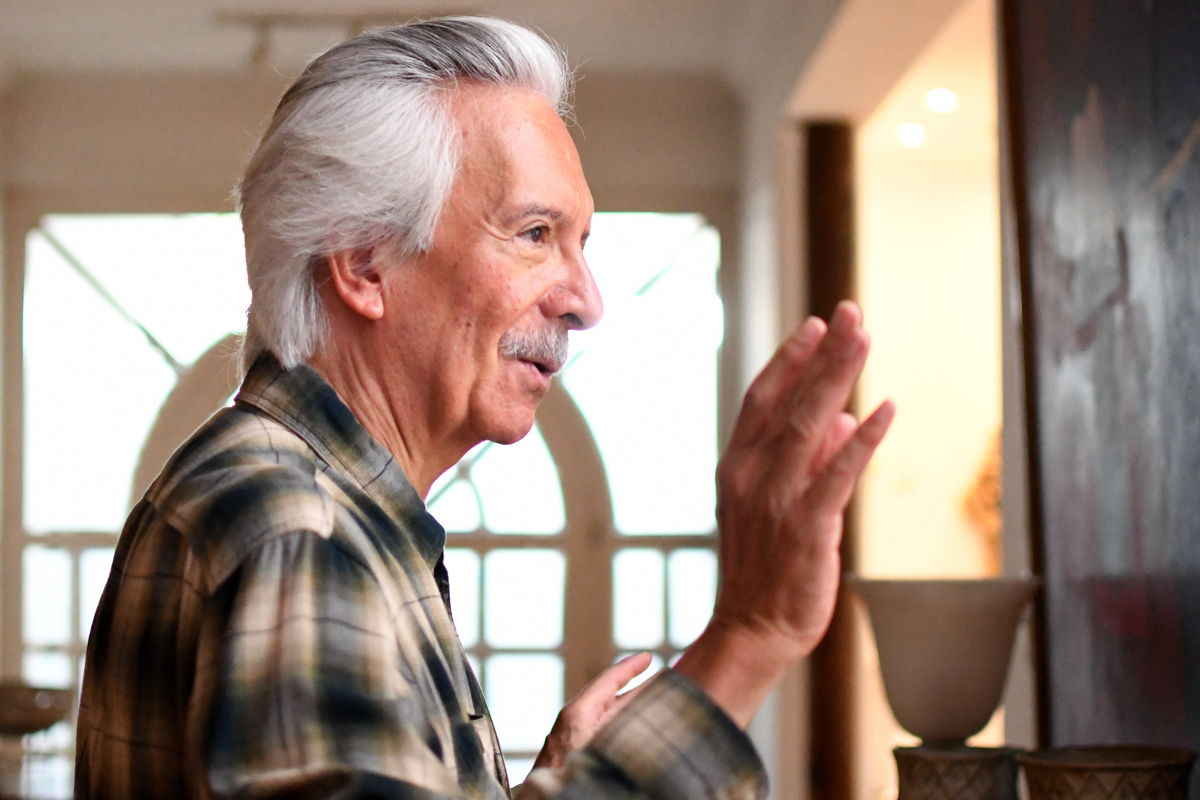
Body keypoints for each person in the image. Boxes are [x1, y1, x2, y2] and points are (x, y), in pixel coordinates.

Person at [75, 16, 893, 800]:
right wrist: (747, 638)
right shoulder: (299, 527)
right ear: (364, 263)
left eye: (582, 244)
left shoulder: (315, 505)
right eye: (536, 233)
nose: (586, 300)